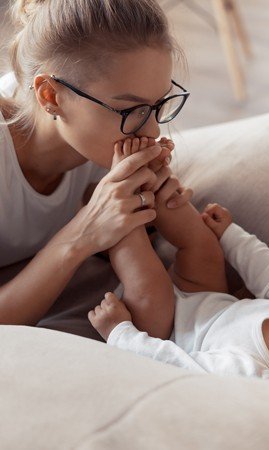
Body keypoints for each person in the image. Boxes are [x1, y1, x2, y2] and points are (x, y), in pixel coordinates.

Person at [89, 137, 269, 378]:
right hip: (206, 297)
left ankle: (120, 202)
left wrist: (120, 332)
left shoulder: (250, 372)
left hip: (163, 330)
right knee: (205, 248)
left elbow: (173, 362)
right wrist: (229, 234)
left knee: (152, 286)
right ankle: (157, 181)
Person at [0, 0, 192, 327]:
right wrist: (82, 233)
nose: (152, 131)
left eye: (158, 105)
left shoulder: (102, 150)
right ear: (51, 96)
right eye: (131, 110)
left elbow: (149, 299)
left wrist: (157, 211)